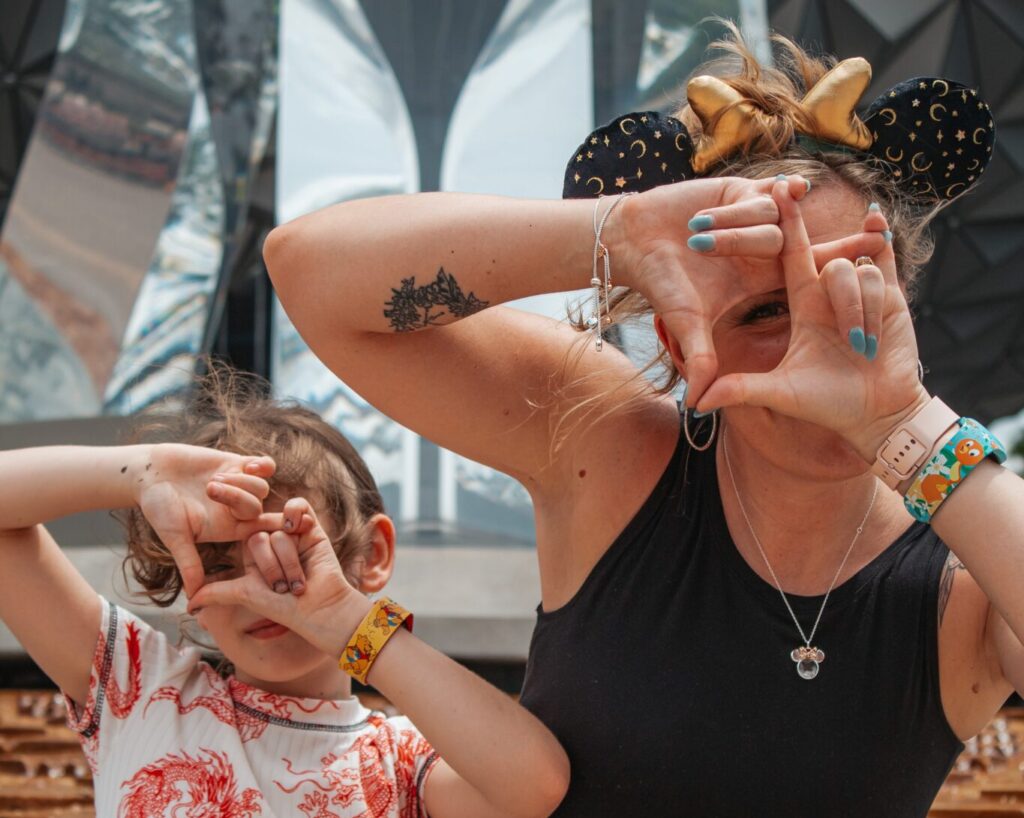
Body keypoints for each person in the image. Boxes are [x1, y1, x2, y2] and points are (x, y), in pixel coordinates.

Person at [265, 21, 1024, 817]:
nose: (821, 342)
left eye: (855, 282)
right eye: (766, 310)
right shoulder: (614, 446)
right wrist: (614, 235)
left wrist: (905, 422)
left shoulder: (964, 566)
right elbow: (310, 275)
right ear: (677, 332)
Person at [0, 366, 569, 818]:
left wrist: (349, 623)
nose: (260, 588)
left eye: (290, 550)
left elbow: (535, 787)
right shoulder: (141, 687)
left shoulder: (404, 762)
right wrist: (143, 472)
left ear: (371, 555)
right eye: (220, 561)